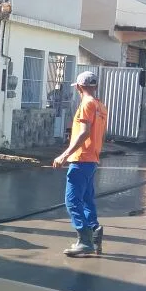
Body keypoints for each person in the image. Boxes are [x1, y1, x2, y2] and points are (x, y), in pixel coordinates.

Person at [53, 71, 108, 257]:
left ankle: (85, 241)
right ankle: (94, 231)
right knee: (86, 199)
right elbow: (99, 134)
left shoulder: (86, 104)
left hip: (81, 158)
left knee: (72, 201)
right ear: (95, 86)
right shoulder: (101, 106)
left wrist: (64, 155)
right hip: (92, 159)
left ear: (78, 87)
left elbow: (84, 132)